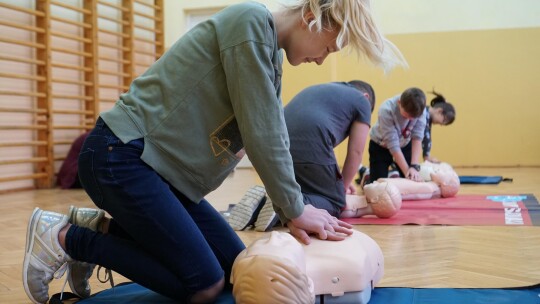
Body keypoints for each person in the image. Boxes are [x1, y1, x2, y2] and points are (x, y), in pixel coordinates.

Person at [22, 1, 407, 303]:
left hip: (157, 174)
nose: (322, 59)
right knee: (203, 284)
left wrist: (295, 207)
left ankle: (98, 228)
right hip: (119, 157)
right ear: (311, 16)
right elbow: (263, 133)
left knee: (237, 268)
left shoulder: (271, 55)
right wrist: (294, 207)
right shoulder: (251, 24)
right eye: (326, 47)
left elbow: (270, 133)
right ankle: (65, 238)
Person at [285, 80, 375, 217]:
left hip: (279, 146)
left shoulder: (324, 89)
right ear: (366, 97)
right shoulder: (362, 100)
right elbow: (356, 152)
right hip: (311, 142)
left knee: (307, 192)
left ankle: (268, 201)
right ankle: (278, 205)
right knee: (335, 202)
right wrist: (342, 189)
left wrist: (339, 182)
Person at [367, 87, 427, 184]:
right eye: (406, 115)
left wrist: (414, 167)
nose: (410, 119)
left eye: (413, 117)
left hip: (404, 144)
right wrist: (407, 171)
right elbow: (393, 144)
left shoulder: (421, 110)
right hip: (380, 145)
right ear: (399, 103)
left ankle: (394, 173)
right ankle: (366, 177)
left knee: (411, 179)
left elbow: (417, 138)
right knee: (377, 184)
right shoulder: (386, 110)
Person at [422, 90, 456, 163]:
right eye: (443, 121)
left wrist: (426, 155)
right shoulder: (423, 114)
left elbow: (427, 137)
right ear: (439, 111)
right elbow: (426, 137)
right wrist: (426, 156)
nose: (441, 124)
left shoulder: (428, 117)